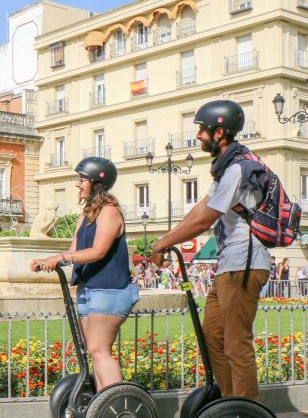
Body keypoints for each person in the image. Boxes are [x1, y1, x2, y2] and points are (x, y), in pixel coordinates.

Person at [149, 100, 270, 400]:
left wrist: (164, 243)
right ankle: (229, 403)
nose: (199, 136)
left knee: (235, 342)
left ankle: (245, 414)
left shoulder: (238, 170)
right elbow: (200, 209)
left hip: (245, 263)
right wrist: (165, 238)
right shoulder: (226, 168)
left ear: (220, 132)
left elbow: (205, 219)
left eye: (203, 130)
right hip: (229, 266)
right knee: (213, 337)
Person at [31, 157, 139, 392]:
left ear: (97, 183)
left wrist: (61, 258)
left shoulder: (109, 211)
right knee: (94, 351)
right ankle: (103, 408)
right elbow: (74, 250)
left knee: (99, 349)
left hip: (110, 290)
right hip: (89, 288)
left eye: (82, 180)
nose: (77, 185)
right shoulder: (87, 213)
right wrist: (46, 260)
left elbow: (98, 251)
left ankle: (117, 405)